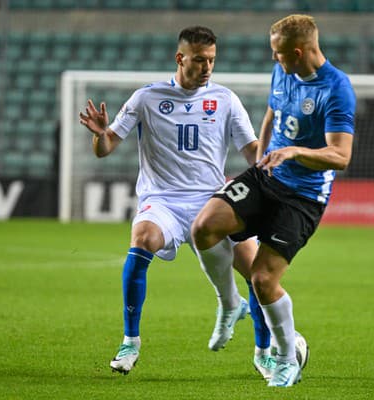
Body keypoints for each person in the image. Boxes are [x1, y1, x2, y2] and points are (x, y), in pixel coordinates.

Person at [78, 26, 275, 378]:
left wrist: (274, 160)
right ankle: (130, 342)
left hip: (212, 200)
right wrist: (100, 135)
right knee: (141, 241)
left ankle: (264, 352)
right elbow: (106, 148)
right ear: (180, 58)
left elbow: (252, 154)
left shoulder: (226, 100)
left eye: (212, 60)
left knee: (255, 267)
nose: (207, 67)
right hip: (163, 200)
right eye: (199, 60)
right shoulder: (146, 97)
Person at [191, 14, 356, 387]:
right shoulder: (283, 71)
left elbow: (341, 156)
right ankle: (231, 303)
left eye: (278, 54)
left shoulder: (336, 89)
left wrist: (295, 152)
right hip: (267, 176)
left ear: (299, 52)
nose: (274, 60)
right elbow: (271, 113)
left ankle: (286, 357)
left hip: (303, 196)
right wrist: (263, 156)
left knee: (265, 279)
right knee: (203, 228)